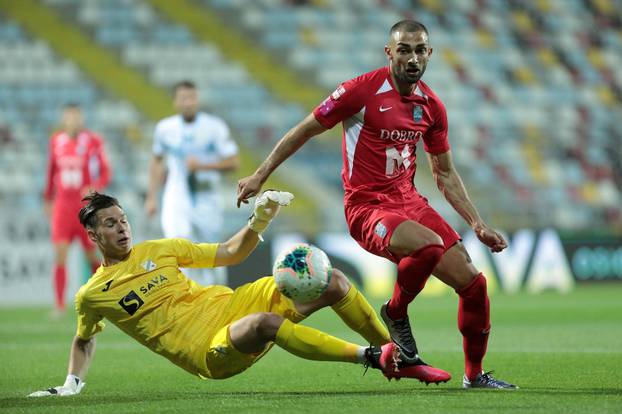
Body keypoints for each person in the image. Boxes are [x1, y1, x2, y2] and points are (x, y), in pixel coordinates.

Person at [237, 20, 517, 389]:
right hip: (367, 206)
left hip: (410, 203)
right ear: (390, 52)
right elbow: (305, 128)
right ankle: (396, 312)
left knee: (474, 284)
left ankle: (474, 375)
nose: (413, 58)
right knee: (428, 245)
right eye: (404, 49)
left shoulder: (431, 107)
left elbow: (445, 173)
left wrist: (477, 223)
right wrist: (260, 174)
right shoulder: (360, 91)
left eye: (420, 50)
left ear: (429, 54)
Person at [28, 191, 449, 397]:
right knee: (266, 325)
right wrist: (71, 383)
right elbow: (84, 336)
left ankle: (399, 357)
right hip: (210, 350)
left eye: (123, 220)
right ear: (92, 234)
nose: (122, 228)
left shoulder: (159, 250)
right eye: (110, 224)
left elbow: (230, 251)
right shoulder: (92, 294)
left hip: (233, 304)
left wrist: (260, 218)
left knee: (334, 280)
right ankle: (373, 359)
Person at [145, 80, 239, 286]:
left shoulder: (214, 127)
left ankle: (219, 296)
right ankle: (186, 301)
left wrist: (203, 167)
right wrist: (152, 197)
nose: (188, 103)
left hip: (207, 195)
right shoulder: (165, 128)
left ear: (197, 100)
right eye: (183, 99)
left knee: (211, 251)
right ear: (175, 102)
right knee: (178, 244)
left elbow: (233, 162)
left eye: (192, 98)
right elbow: (157, 160)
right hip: (176, 194)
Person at [43, 103, 111, 316]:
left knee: (92, 255)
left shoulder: (93, 141)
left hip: (84, 206)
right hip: (63, 205)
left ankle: (100, 298)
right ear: (64, 119)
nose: (73, 120)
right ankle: (59, 305)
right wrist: (48, 199)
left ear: (82, 119)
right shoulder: (56, 141)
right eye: (69, 117)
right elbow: (51, 171)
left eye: (76, 117)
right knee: (60, 254)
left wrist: (97, 186)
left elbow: (106, 170)